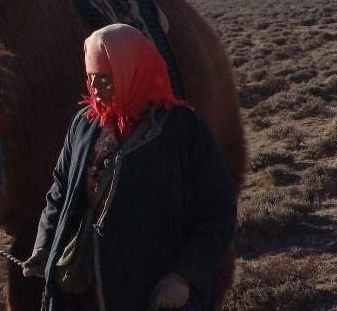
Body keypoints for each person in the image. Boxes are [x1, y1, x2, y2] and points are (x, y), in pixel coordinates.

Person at [22, 23, 236, 311]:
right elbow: (60, 192)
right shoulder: (84, 125)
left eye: (106, 78)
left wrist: (183, 276)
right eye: (91, 77)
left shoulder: (184, 131)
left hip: (152, 293)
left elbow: (217, 210)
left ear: (131, 71)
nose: (95, 88)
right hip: (82, 291)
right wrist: (45, 245)